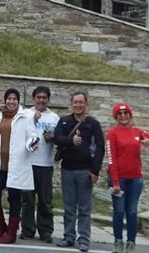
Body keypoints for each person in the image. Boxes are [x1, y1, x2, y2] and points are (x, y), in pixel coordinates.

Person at [106, 102, 149, 253]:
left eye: (126, 113)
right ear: (116, 117)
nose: (123, 116)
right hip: (118, 180)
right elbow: (111, 159)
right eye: (120, 114)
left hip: (135, 180)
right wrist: (115, 182)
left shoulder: (137, 132)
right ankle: (118, 241)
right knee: (119, 211)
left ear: (130, 115)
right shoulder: (112, 134)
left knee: (131, 211)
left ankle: (131, 243)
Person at [54, 92, 105, 252]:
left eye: (81, 102)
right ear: (71, 104)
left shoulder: (93, 124)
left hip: (85, 171)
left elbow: (100, 148)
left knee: (84, 208)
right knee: (69, 207)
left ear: (86, 104)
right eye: (75, 102)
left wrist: (95, 171)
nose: (78, 105)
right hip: (67, 169)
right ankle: (69, 236)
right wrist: (71, 140)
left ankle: (83, 239)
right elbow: (57, 138)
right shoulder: (64, 121)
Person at [0, 88, 38, 244]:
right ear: (5, 100)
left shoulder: (26, 116)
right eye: (9, 99)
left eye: (14, 99)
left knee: (14, 198)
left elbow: (32, 136)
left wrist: (31, 144)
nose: (11, 101)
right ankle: (1, 227)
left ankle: (11, 232)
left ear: (18, 101)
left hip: (16, 165)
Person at [20, 86, 60, 243]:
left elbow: (59, 138)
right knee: (27, 200)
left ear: (48, 100)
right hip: (28, 163)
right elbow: (19, 134)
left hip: (45, 164)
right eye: (38, 97)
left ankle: (45, 232)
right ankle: (27, 230)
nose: (41, 100)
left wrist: (53, 138)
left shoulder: (54, 118)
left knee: (45, 201)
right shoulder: (25, 114)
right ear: (33, 99)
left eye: (44, 98)